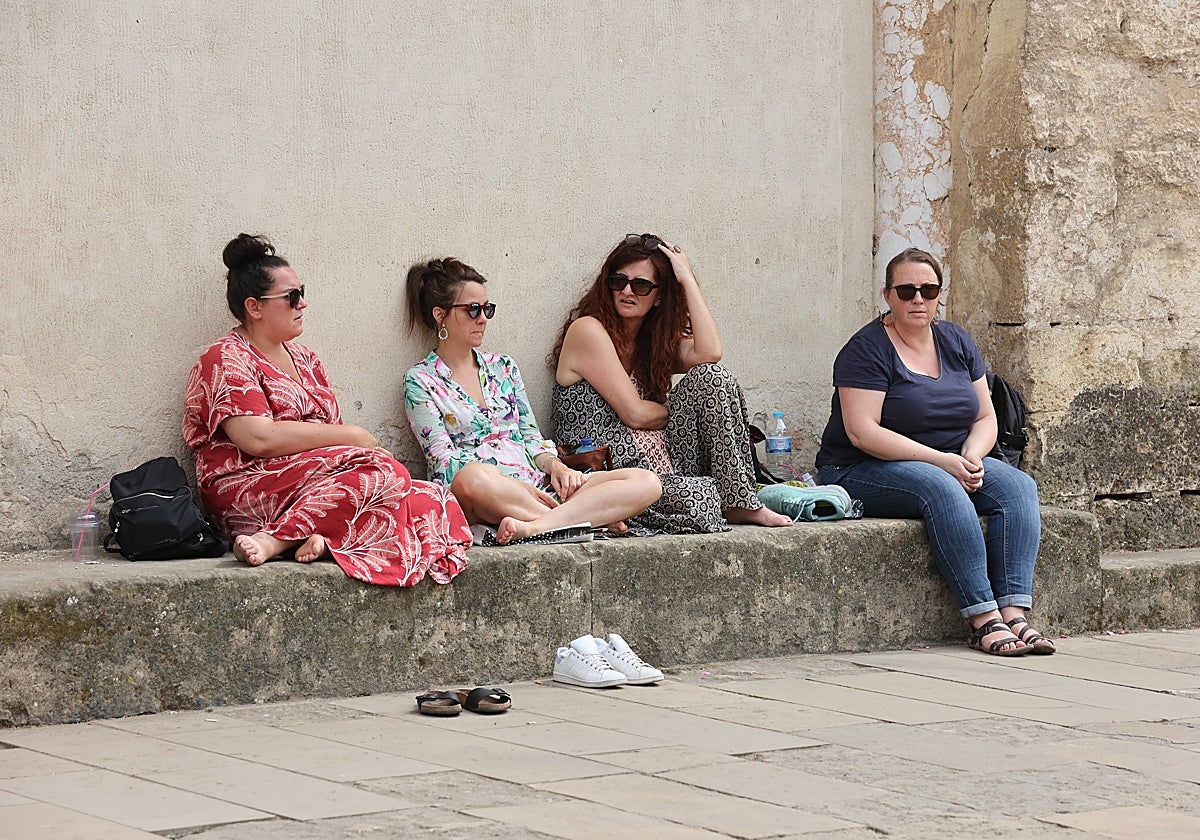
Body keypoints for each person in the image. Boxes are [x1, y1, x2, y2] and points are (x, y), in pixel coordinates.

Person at [183, 234, 471, 586]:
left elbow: (337, 451)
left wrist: (350, 446)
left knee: (432, 497)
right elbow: (258, 438)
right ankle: (275, 539)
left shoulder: (306, 359)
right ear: (254, 307)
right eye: (291, 297)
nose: (302, 304)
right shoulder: (226, 357)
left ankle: (325, 537)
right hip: (250, 484)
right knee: (383, 472)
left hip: (314, 481)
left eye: (302, 292)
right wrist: (352, 436)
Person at [815, 247, 1053, 655]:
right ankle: (984, 618)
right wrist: (943, 461)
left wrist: (974, 456)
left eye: (928, 289)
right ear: (887, 295)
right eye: (906, 290)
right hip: (861, 467)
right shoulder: (867, 349)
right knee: (942, 487)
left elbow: (985, 417)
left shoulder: (955, 339)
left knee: (1017, 487)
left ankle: (1014, 613)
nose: (918, 299)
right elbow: (862, 433)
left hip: (950, 458)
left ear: (940, 293)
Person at [402, 257, 662, 544]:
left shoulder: (504, 367)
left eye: (487, 309)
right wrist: (510, 484)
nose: (482, 319)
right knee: (471, 478)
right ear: (440, 315)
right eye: (472, 309)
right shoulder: (421, 380)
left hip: (538, 483)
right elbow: (443, 461)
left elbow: (529, 436)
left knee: (646, 482)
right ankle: (584, 520)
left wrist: (556, 467)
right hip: (490, 491)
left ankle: (539, 527)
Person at [549, 233, 791, 534]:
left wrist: (687, 280)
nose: (627, 291)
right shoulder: (588, 330)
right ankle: (719, 499)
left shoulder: (652, 343)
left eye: (640, 285)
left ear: (660, 296)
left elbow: (709, 353)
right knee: (699, 499)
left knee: (712, 378)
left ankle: (740, 503)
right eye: (618, 281)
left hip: (664, 463)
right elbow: (635, 414)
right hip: (614, 472)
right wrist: (680, 410)